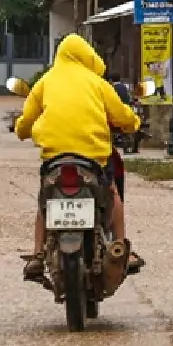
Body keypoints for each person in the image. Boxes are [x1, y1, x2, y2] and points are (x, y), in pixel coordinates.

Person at [13, 34, 143, 281]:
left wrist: (21, 130)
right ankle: (120, 246)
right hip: (92, 158)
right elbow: (123, 116)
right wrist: (134, 123)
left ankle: (38, 254)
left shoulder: (45, 82)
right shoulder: (97, 83)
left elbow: (26, 121)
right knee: (112, 192)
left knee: (46, 200)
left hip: (55, 158)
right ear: (87, 56)